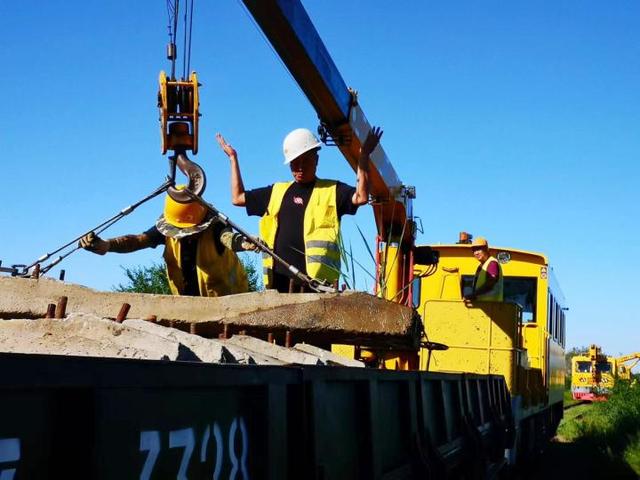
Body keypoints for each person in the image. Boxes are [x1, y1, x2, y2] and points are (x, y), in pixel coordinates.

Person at [216, 126, 382, 293]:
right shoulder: (276, 192)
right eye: (295, 163)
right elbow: (237, 198)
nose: (300, 167)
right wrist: (233, 158)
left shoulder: (331, 190)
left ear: (316, 160)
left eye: (306, 161)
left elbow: (361, 197)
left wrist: (363, 157)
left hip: (318, 288)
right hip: (278, 287)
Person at [79, 187, 254, 297]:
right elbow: (138, 240)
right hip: (188, 305)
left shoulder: (216, 226)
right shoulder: (169, 230)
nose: (183, 235)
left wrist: (244, 243)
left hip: (229, 303)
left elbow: (228, 238)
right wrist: (107, 245)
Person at [464, 237, 504, 302]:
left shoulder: (492, 263)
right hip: (482, 306)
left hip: (492, 307)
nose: (476, 253)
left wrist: (473, 295)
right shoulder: (481, 267)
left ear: (486, 249)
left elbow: (491, 282)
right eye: (474, 250)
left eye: (479, 249)